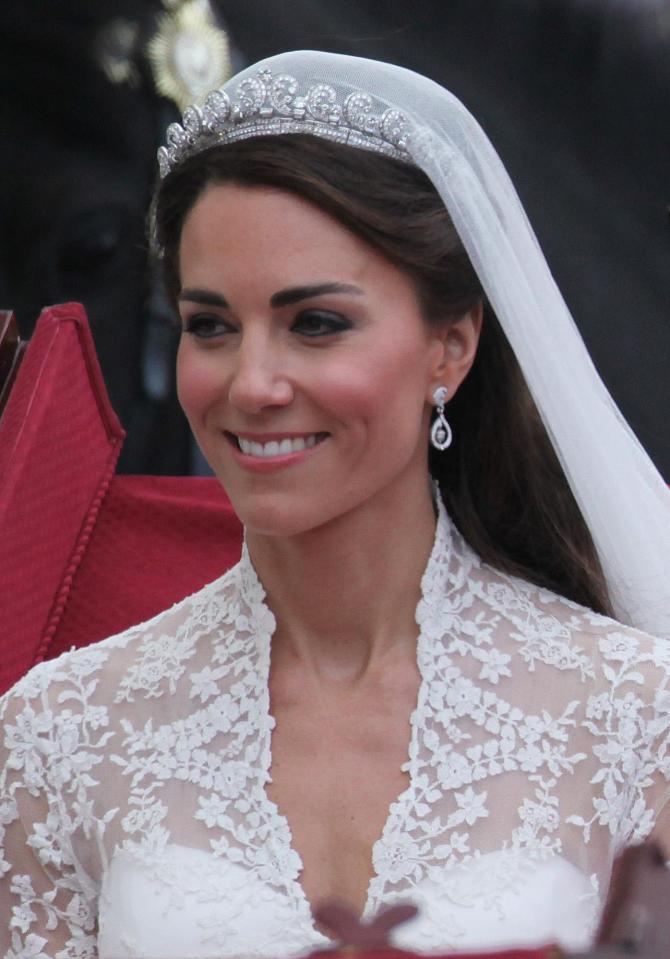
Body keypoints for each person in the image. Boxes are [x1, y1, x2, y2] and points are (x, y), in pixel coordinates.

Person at [1, 50, 670, 959]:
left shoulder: (636, 716)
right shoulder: (59, 731)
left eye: (316, 322)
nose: (253, 383)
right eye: (211, 326)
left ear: (452, 347)